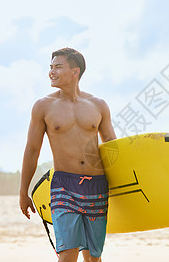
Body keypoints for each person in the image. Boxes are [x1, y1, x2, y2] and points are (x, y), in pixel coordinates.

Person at [19, 47, 116, 262]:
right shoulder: (43, 106)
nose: (51, 72)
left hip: (97, 185)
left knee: (93, 257)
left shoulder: (98, 105)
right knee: (67, 255)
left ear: (75, 71)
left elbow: (112, 147)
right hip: (64, 186)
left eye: (58, 67)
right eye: (50, 67)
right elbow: (32, 150)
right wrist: (23, 191)